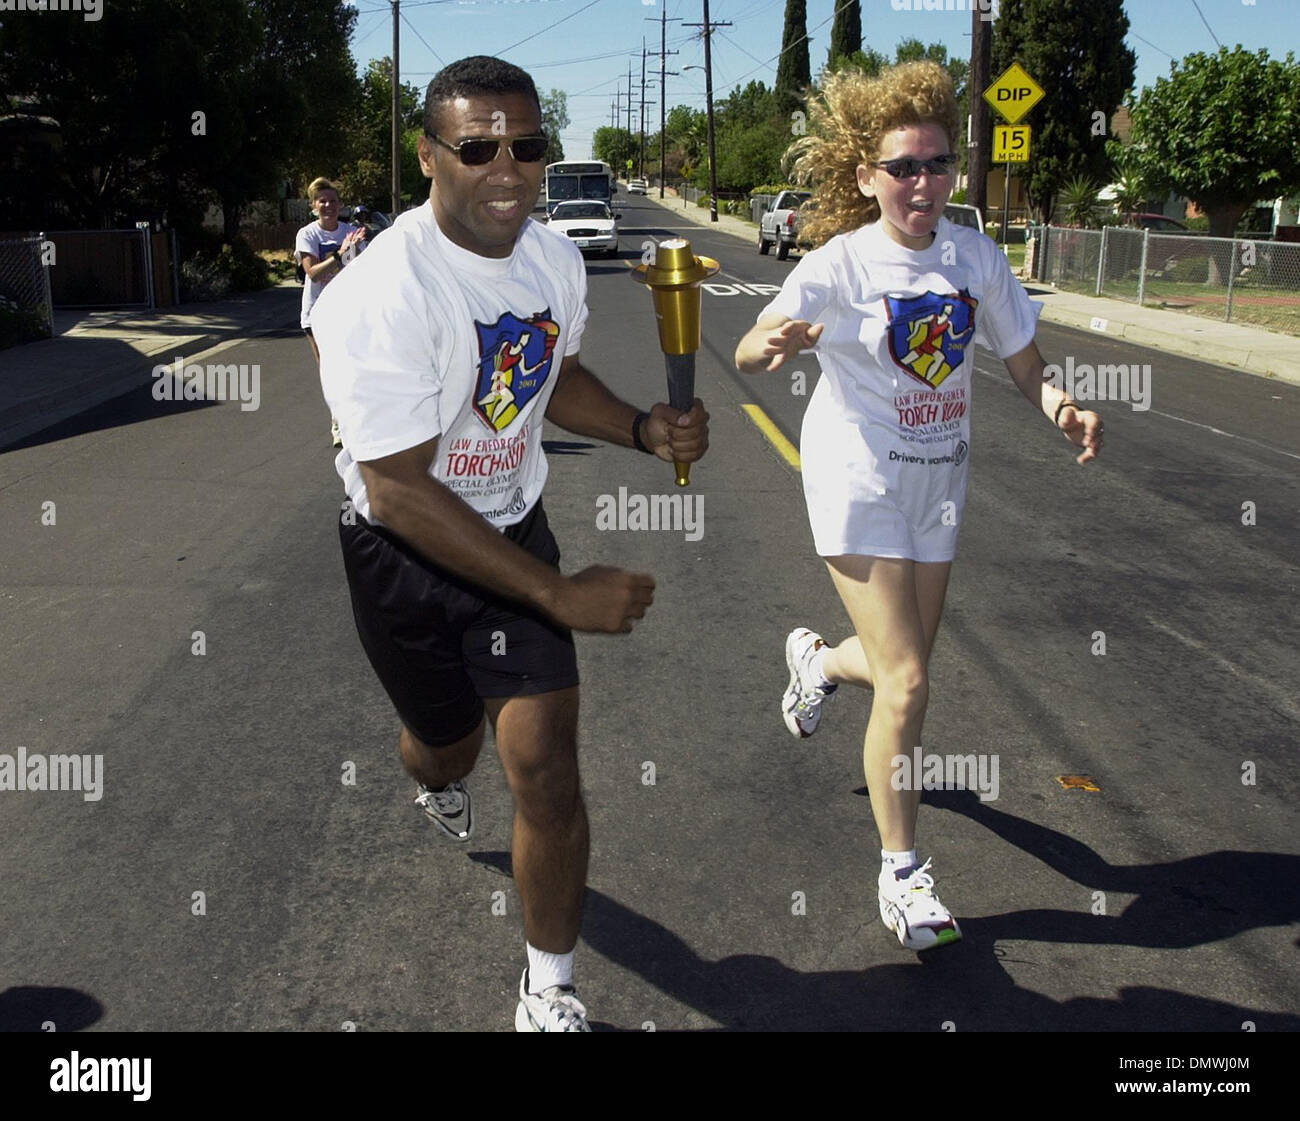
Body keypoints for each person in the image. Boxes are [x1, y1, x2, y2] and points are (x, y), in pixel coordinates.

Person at [311, 55, 709, 1030]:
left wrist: (641, 429)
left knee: (544, 765)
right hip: (400, 555)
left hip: (511, 530)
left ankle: (549, 982)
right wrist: (561, 593)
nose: (507, 168)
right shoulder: (380, 292)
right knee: (444, 751)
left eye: (527, 146)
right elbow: (396, 488)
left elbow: (544, 377)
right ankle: (438, 772)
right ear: (429, 155)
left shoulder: (551, 261)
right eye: (478, 146)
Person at [734, 62, 1103, 952]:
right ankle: (903, 875)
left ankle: (820, 663)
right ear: (867, 176)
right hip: (856, 478)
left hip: (938, 484)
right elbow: (750, 348)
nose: (922, 183)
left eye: (937, 164)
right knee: (908, 681)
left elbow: (1022, 358)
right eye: (903, 167)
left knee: (901, 665)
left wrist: (1062, 405)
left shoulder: (975, 257)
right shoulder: (842, 262)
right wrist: (770, 343)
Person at [295, 177, 367, 446]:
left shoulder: (350, 231)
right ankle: (338, 421)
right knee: (328, 368)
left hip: (347, 311)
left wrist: (358, 249)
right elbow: (312, 274)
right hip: (316, 313)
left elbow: (362, 270)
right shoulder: (308, 234)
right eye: (322, 201)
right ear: (314, 205)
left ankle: (351, 418)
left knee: (351, 365)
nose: (328, 205)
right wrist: (339, 254)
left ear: (340, 205)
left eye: (333, 201)